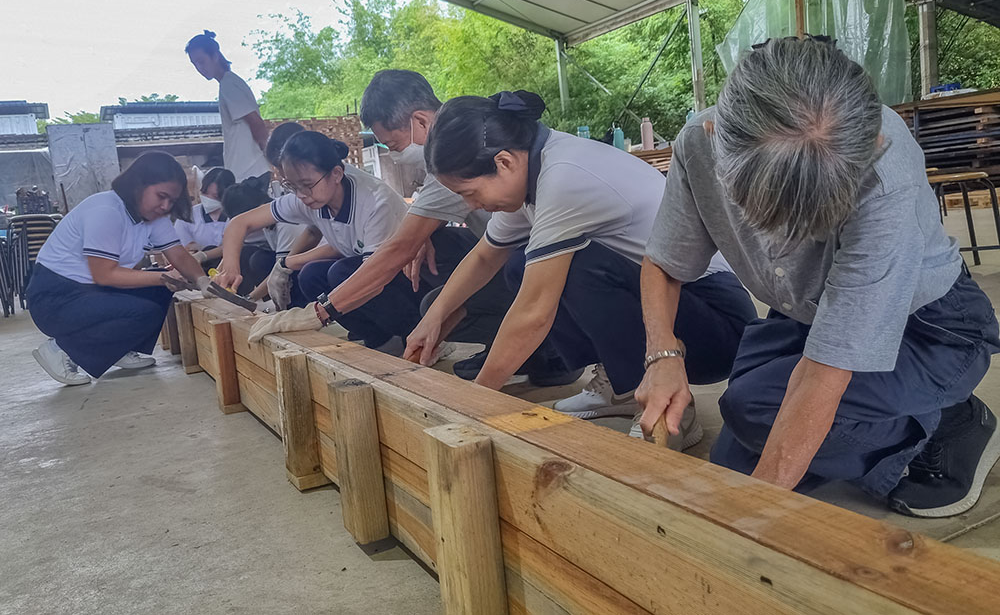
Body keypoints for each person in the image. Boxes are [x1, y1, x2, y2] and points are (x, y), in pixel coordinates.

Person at [637, 36, 1000, 517]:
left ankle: (951, 420)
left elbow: (824, 373)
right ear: (714, 140)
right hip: (807, 314)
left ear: (871, 147)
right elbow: (665, 263)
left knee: (759, 415)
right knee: (742, 432)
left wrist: (746, 523)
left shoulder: (885, 170)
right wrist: (662, 355)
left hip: (929, 326)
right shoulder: (699, 144)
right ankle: (905, 411)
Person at [405, 91, 757, 445]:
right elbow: (484, 256)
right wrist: (432, 318)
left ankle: (669, 404)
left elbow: (534, 314)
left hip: (717, 323)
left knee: (574, 265)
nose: (471, 205)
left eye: (469, 192)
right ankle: (621, 386)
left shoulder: (564, 177)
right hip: (676, 310)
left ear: (505, 162)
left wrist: (473, 402)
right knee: (518, 264)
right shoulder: (535, 172)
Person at [248, 70, 578, 384]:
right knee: (437, 294)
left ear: (420, 121)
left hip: (552, 260)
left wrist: (320, 312)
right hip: (513, 246)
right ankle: (504, 343)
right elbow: (460, 245)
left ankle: (551, 351)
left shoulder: (462, 153)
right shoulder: (454, 152)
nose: (395, 155)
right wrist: (427, 240)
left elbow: (397, 248)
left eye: (392, 145)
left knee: (490, 278)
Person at [216, 131, 422, 355]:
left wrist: (317, 313)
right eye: (292, 186)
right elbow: (239, 223)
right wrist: (230, 268)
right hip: (370, 272)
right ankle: (381, 341)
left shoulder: (374, 201)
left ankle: (412, 333)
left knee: (340, 273)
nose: (301, 195)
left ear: (336, 173)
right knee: (311, 275)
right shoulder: (313, 195)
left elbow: (375, 278)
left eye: (306, 184)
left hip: (410, 281)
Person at [27, 151, 207, 386]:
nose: (165, 206)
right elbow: (104, 275)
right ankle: (60, 350)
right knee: (147, 309)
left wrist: (204, 281)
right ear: (138, 185)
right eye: (161, 196)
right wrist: (164, 277)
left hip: (88, 293)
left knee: (161, 290)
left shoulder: (153, 217)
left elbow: (179, 254)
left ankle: (118, 348)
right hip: (55, 298)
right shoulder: (106, 210)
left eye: (171, 201)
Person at [185, 30, 271, 182]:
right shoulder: (229, 83)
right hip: (247, 172)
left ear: (215, 56)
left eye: (202, 61)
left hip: (250, 173)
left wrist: (270, 156)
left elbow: (256, 122)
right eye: (195, 64)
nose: (199, 68)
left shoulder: (229, 84)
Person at [220, 182, 313, 307]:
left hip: (304, 265)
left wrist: (249, 299)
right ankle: (272, 302)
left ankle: (294, 306)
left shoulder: (287, 223)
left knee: (260, 260)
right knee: (251, 255)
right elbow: (234, 238)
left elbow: (281, 270)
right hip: (288, 262)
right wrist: (224, 270)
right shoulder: (267, 224)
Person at [173, 166, 235, 269]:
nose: (208, 199)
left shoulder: (236, 216)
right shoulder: (187, 217)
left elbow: (235, 246)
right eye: (205, 193)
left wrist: (204, 254)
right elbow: (183, 248)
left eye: (214, 196)